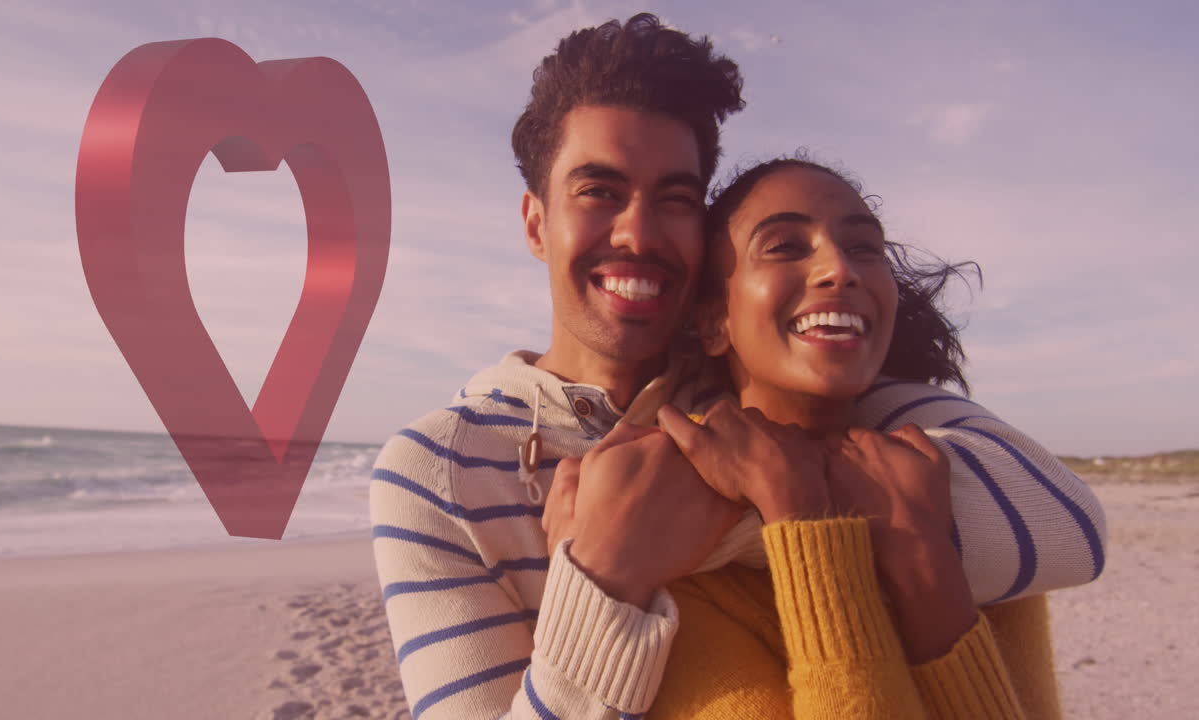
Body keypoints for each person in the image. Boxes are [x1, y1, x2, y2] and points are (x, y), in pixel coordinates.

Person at [369, 14, 1105, 720]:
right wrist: (608, 576)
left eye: (676, 200)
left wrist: (745, 501)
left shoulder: (781, 385)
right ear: (537, 223)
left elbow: (1069, 524)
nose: (638, 233)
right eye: (599, 192)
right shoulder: (439, 470)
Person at [546, 155, 1069, 718]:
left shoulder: (957, 499)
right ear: (715, 321)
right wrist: (803, 522)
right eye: (785, 247)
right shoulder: (657, 510)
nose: (839, 269)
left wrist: (925, 562)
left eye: (864, 248)